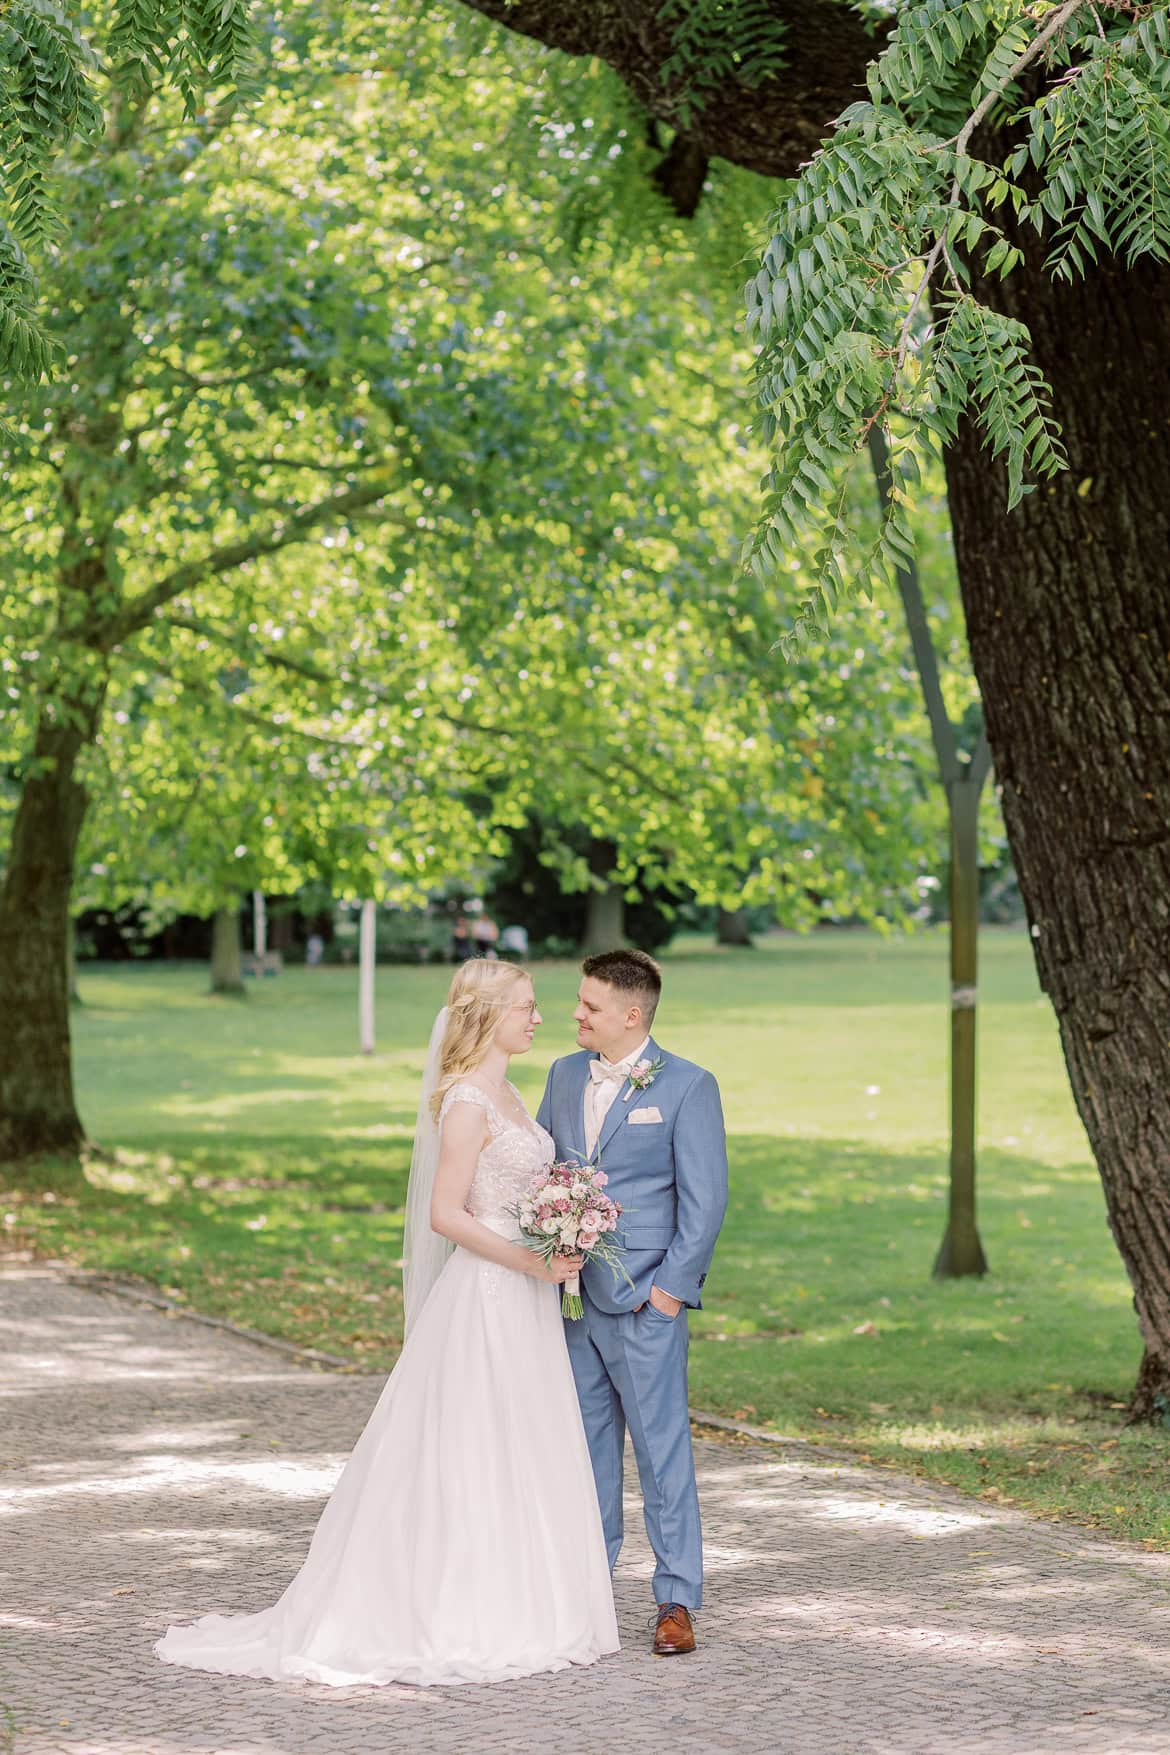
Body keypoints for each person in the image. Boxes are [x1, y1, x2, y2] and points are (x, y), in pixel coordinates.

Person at [155, 960, 618, 1687]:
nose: (538, 1017)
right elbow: (446, 1213)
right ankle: (457, 1610)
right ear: (486, 1014)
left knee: (522, 1439)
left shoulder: (510, 1092)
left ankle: (531, 1599)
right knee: (475, 1441)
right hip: (490, 1296)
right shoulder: (468, 1100)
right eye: (525, 1007)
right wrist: (532, 1261)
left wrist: (562, 1233)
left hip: (524, 1294)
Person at [537, 948, 728, 1658]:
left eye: (588, 1005)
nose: (575, 1014)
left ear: (631, 1014)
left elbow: (704, 1203)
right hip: (573, 1301)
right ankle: (586, 1595)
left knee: (660, 1454)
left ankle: (676, 1599)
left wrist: (669, 1295)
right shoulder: (561, 1075)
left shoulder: (686, 1086)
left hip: (648, 1302)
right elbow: (542, 1166)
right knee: (584, 1453)